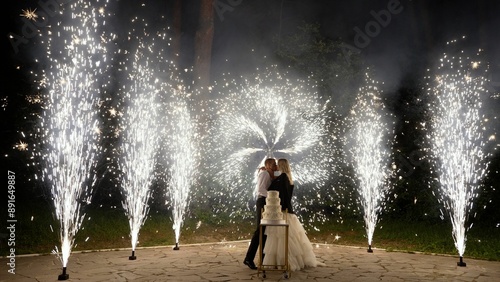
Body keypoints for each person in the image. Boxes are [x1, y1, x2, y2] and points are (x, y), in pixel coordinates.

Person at [262, 158, 325, 271]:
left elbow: (272, 191)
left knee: (282, 239)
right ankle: (289, 260)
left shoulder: (282, 178)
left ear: (280, 166)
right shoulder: (288, 178)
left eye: (277, 165)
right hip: (288, 210)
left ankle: (285, 261)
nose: (275, 166)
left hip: (282, 211)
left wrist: (270, 175)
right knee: (291, 237)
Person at [243, 158, 277, 270]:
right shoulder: (264, 174)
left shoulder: (270, 174)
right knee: (260, 229)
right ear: (267, 165)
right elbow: (261, 190)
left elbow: (282, 174)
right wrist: (273, 196)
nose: (274, 166)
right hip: (263, 202)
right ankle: (249, 258)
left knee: (264, 231)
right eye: (272, 165)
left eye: (275, 164)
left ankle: (262, 259)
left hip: (267, 202)